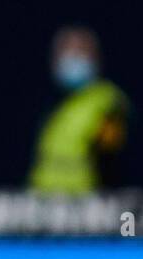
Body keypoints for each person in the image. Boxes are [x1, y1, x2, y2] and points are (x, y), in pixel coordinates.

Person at [29, 26, 129, 194]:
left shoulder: (107, 102)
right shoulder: (51, 103)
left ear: (95, 58)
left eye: (80, 52)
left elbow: (111, 156)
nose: (73, 58)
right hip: (45, 199)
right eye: (67, 51)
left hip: (85, 199)